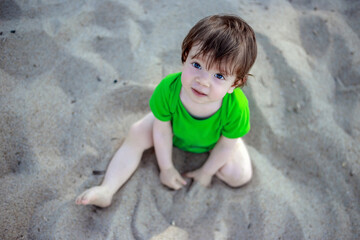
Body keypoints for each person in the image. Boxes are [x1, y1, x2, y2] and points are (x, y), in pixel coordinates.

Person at [76, 15, 257, 207]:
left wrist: (206, 172)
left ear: (235, 84)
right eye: (197, 65)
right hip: (171, 130)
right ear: (185, 57)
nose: (203, 81)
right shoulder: (169, 89)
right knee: (136, 133)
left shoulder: (237, 107)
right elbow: (161, 130)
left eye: (219, 75)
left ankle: (211, 167)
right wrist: (167, 168)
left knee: (241, 175)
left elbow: (227, 145)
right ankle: (107, 189)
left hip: (214, 141)